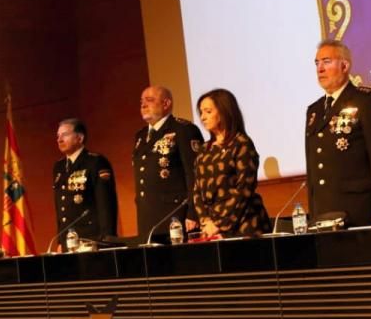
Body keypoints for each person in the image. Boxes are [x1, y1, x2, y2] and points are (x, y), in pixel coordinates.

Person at [305, 39, 371, 228]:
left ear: (345, 65)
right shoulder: (314, 111)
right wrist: (313, 211)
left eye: (327, 61)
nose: (320, 69)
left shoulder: (366, 100)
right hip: (323, 212)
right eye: (317, 63)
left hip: (357, 210)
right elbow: (314, 167)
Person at [192, 88, 271, 238]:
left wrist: (218, 224)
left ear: (224, 112)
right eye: (201, 112)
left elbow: (244, 189)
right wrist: (206, 221)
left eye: (208, 112)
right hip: (211, 228)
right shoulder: (204, 149)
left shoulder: (241, 144)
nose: (203, 117)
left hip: (243, 225)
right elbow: (197, 190)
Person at [132, 85, 205, 242]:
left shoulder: (183, 130)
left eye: (150, 100)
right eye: (141, 102)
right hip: (148, 220)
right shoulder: (140, 136)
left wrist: (193, 212)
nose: (143, 105)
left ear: (166, 104)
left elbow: (195, 175)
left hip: (176, 217)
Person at [52, 118, 117, 249]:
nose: (59, 140)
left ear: (80, 138)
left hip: (91, 239)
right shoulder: (58, 167)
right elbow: (61, 209)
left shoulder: (95, 162)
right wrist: (60, 240)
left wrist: (107, 238)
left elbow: (106, 203)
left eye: (64, 135)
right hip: (69, 241)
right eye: (58, 136)